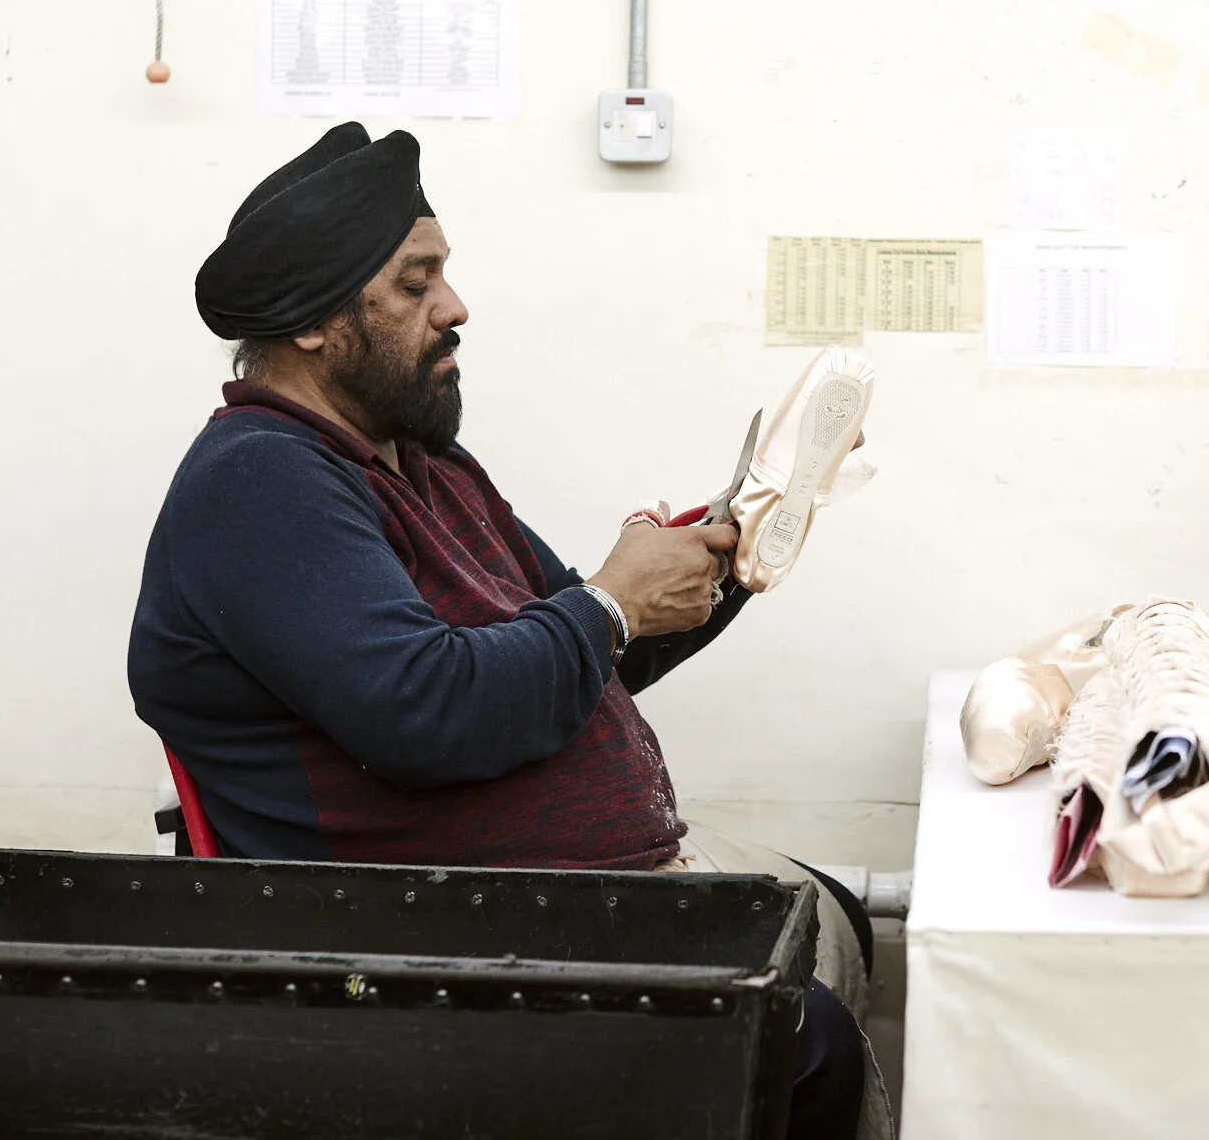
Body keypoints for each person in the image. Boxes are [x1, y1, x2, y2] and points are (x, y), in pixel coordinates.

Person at [129, 124, 873, 1140]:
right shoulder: (259, 482)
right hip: (408, 944)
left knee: (829, 909)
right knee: (803, 1039)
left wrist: (723, 552)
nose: (454, 307)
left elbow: (581, 659)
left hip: (524, 910)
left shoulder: (423, 466)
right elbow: (429, 712)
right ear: (311, 321)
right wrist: (609, 599)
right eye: (415, 283)